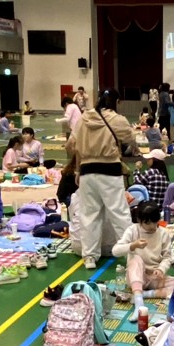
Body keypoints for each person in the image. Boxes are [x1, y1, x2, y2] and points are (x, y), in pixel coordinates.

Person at [70, 87, 134, 269]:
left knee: (89, 215)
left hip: (86, 172)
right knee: (119, 213)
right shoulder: (117, 119)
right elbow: (130, 137)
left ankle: (89, 257)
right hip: (110, 171)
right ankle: (131, 254)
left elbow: (73, 146)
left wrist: (77, 171)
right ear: (117, 102)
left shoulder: (83, 118)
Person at [112, 201, 174, 321]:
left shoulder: (163, 234)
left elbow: (167, 257)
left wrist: (161, 269)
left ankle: (146, 294)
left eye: (154, 222)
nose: (152, 226)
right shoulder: (133, 230)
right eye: (147, 223)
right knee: (136, 259)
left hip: (155, 278)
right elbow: (115, 251)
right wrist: (133, 245)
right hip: (137, 277)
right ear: (139, 220)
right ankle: (139, 303)